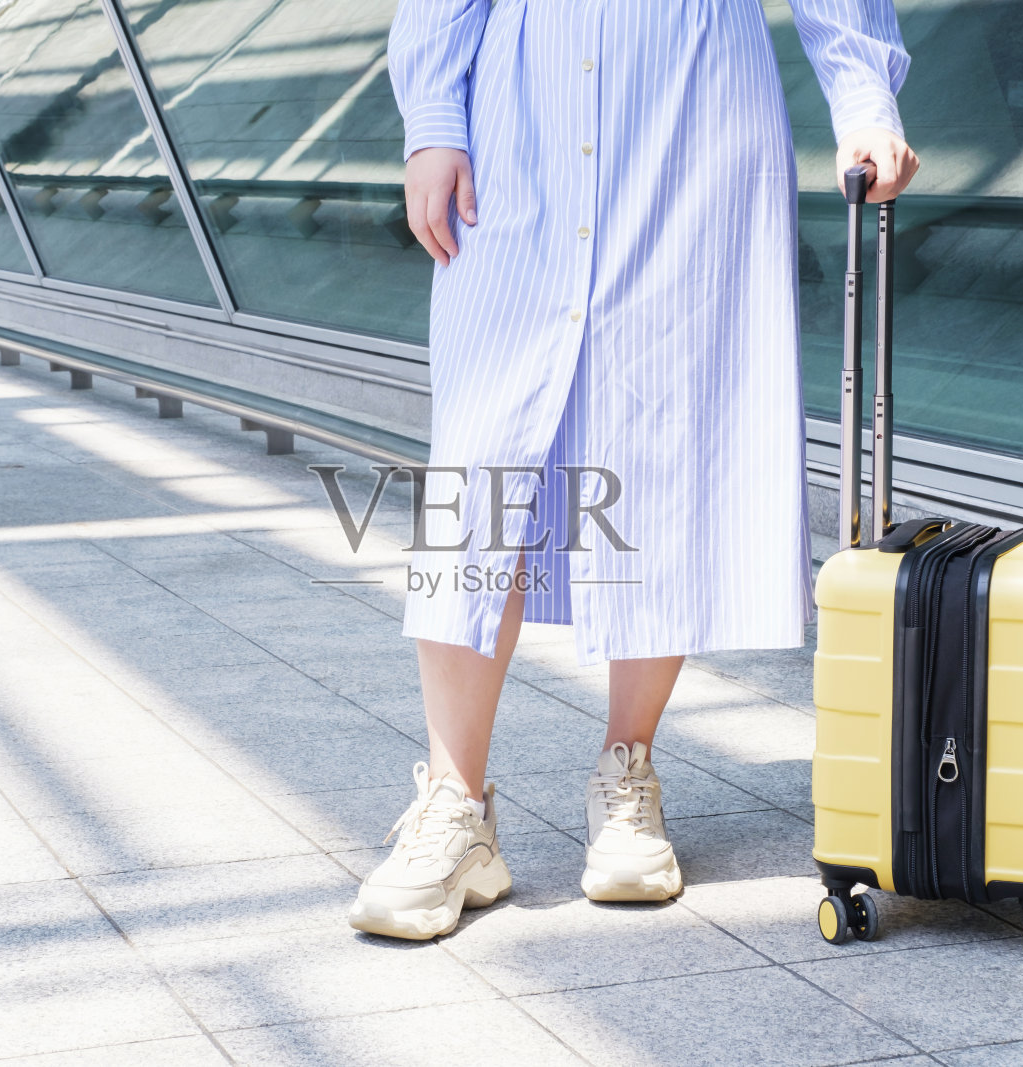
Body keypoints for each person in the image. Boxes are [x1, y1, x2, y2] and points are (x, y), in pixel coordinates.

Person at [348, 0, 920, 940]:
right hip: (517, 115)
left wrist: (862, 95)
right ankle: (456, 804)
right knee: (483, 460)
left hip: (696, 110)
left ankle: (629, 773)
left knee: (662, 438)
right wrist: (435, 122)